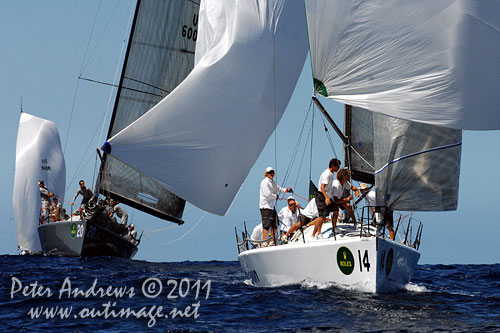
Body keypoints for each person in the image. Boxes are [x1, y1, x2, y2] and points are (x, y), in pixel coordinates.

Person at [259, 167, 292, 242]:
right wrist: (275, 196)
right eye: (270, 172)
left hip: (271, 207)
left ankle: (272, 241)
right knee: (266, 225)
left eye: (273, 172)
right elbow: (267, 194)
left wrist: (286, 190)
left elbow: (278, 188)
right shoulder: (265, 182)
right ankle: (264, 242)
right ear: (266, 174)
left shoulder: (272, 182)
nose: (272, 174)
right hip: (265, 206)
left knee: (275, 223)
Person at [311, 158, 341, 237]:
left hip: (327, 196)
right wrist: (326, 198)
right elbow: (322, 187)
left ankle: (334, 228)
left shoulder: (331, 174)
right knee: (322, 215)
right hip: (321, 196)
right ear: (333, 166)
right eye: (337, 166)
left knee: (336, 210)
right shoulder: (327, 174)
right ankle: (317, 234)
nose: (338, 168)